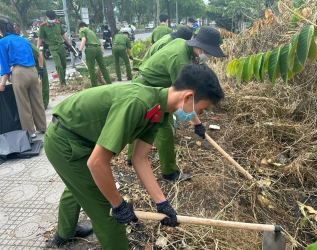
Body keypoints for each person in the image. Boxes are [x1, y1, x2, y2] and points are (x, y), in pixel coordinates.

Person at [44, 63, 224, 249]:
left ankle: (65, 233)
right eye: (200, 110)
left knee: (80, 185)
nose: (197, 115)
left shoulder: (159, 109)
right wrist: (118, 204)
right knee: (108, 213)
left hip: (82, 136)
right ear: (187, 97)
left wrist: (162, 203)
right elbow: (97, 163)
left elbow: (140, 158)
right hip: (64, 140)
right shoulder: (138, 102)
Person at [129, 27, 225, 181]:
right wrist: (197, 123)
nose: (209, 57)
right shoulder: (179, 59)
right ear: (199, 48)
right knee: (163, 127)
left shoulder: (182, 44)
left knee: (140, 124)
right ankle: (169, 172)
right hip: (146, 86)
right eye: (208, 53)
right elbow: (184, 98)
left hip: (151, 85)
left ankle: (130, 157)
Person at [0, 17, 46, 138]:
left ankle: (30, 132)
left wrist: (2, 84)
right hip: (33, 71)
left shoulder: (3, 42)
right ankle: (42, 127)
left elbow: (5, 67)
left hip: (19, 73)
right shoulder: (24, 40)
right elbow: (34, 55)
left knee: (23, 104)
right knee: (37, 101)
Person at [37, 10, 74, 87]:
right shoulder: (43, 26)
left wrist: (69, 45)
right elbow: (40, 38)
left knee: (64, 65)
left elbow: (63, 35)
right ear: (46, 17)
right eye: (50, 18)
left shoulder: (57, 24)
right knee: (58, 65)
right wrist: (37, 49)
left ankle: (63, 81)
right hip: (52, 48)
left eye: (53, 18)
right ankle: (62, 83)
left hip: (61, 46)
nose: (52, 19)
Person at [77, 22, 111, 87]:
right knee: (102, 67)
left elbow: (83, 40)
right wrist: (101, 51)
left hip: (90, 49)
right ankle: (109, 83)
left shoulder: (82, 30)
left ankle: (95, 86)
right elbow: (100, 44)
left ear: (81, 26)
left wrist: (80, 51)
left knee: (91, 69)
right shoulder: (91, 31)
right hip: (98, 48)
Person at [30, 44, 49, 109]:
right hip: (30, 64)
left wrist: (41, 67)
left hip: (39, 62)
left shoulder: (24, 43)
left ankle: (44, 102)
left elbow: (39, 54)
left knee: (43, 82)